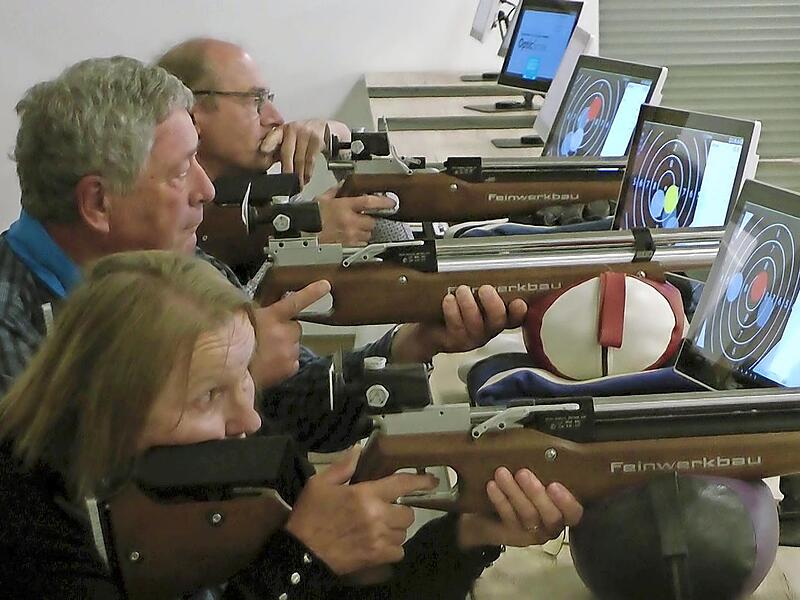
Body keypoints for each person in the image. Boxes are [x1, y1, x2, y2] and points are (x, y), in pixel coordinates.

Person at [0, 56, 524, 455]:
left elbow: (303, 411)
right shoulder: (12, 328)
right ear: (97, 202)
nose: (206, 190)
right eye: (182, 170)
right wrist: (230, 375)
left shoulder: (182, 269)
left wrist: (415, 343)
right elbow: (60, 520)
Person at [0, 250, 584, 598]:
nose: (249, 417)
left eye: (245, 378)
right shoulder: (29, 535)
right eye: (208, 395)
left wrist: (466, 539)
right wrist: (300, 558)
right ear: (108, 407)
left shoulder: (154, 488)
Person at [157, 37, 399, 248]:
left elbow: (396, 238)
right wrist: (297, 235)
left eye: (268, 99)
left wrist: (341, 143)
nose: (276, 118)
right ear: (193, 109)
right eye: (256, 100)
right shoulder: (162, 225)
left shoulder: (262, 202)